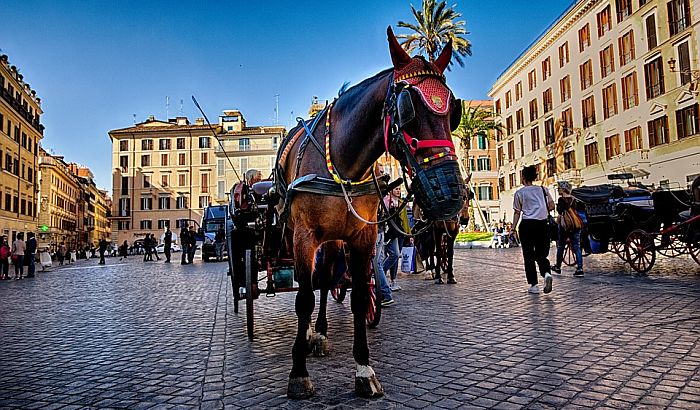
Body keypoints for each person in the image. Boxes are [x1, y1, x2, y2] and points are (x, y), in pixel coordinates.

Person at [511, 165, 555, 295]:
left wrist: (512, 229)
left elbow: (517, 213)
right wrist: (541, 209)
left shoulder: (520, 193)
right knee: (541, 254)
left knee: (528, 255)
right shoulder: (543, 189)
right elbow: (552, 205)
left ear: (523, 177)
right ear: (535, 177)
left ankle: (534, 285)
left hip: (527, 225)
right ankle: (546, 273)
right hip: (542, 224)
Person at [551, 181, 584, 277]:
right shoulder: (574, 200)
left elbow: (561, 213)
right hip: (575, 225)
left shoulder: (561, 200)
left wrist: (556, 224)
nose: (558, 190)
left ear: (564, 189)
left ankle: (558, 266)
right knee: (577, 247)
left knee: (561, 246)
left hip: (565, 227)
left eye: (559, 188)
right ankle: (580, 268)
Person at [383, 187, 403, 291]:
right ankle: (381, 275)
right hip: (386, 231)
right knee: (387, 255)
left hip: (395, 231)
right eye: (396, 189)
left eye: (399, 189)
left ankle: (387, 277)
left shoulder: (399, 202)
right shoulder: (386, 199)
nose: (398, 191)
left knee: (395, 254)